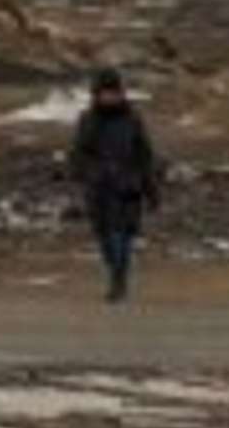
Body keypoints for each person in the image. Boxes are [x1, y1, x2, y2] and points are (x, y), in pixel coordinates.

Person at [67, 66, 162, 303]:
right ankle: (114, 270)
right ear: (97, 94)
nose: (110, 97)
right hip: (99, 188)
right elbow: (78, 153)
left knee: (123, 236)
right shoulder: (88, 120)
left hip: (128, 186)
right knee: (105, 238)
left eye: (114, 92)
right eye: (105, 93)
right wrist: (86, 173)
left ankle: (118, 282)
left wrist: (151, 190)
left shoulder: (132, 119)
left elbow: (144, 154)